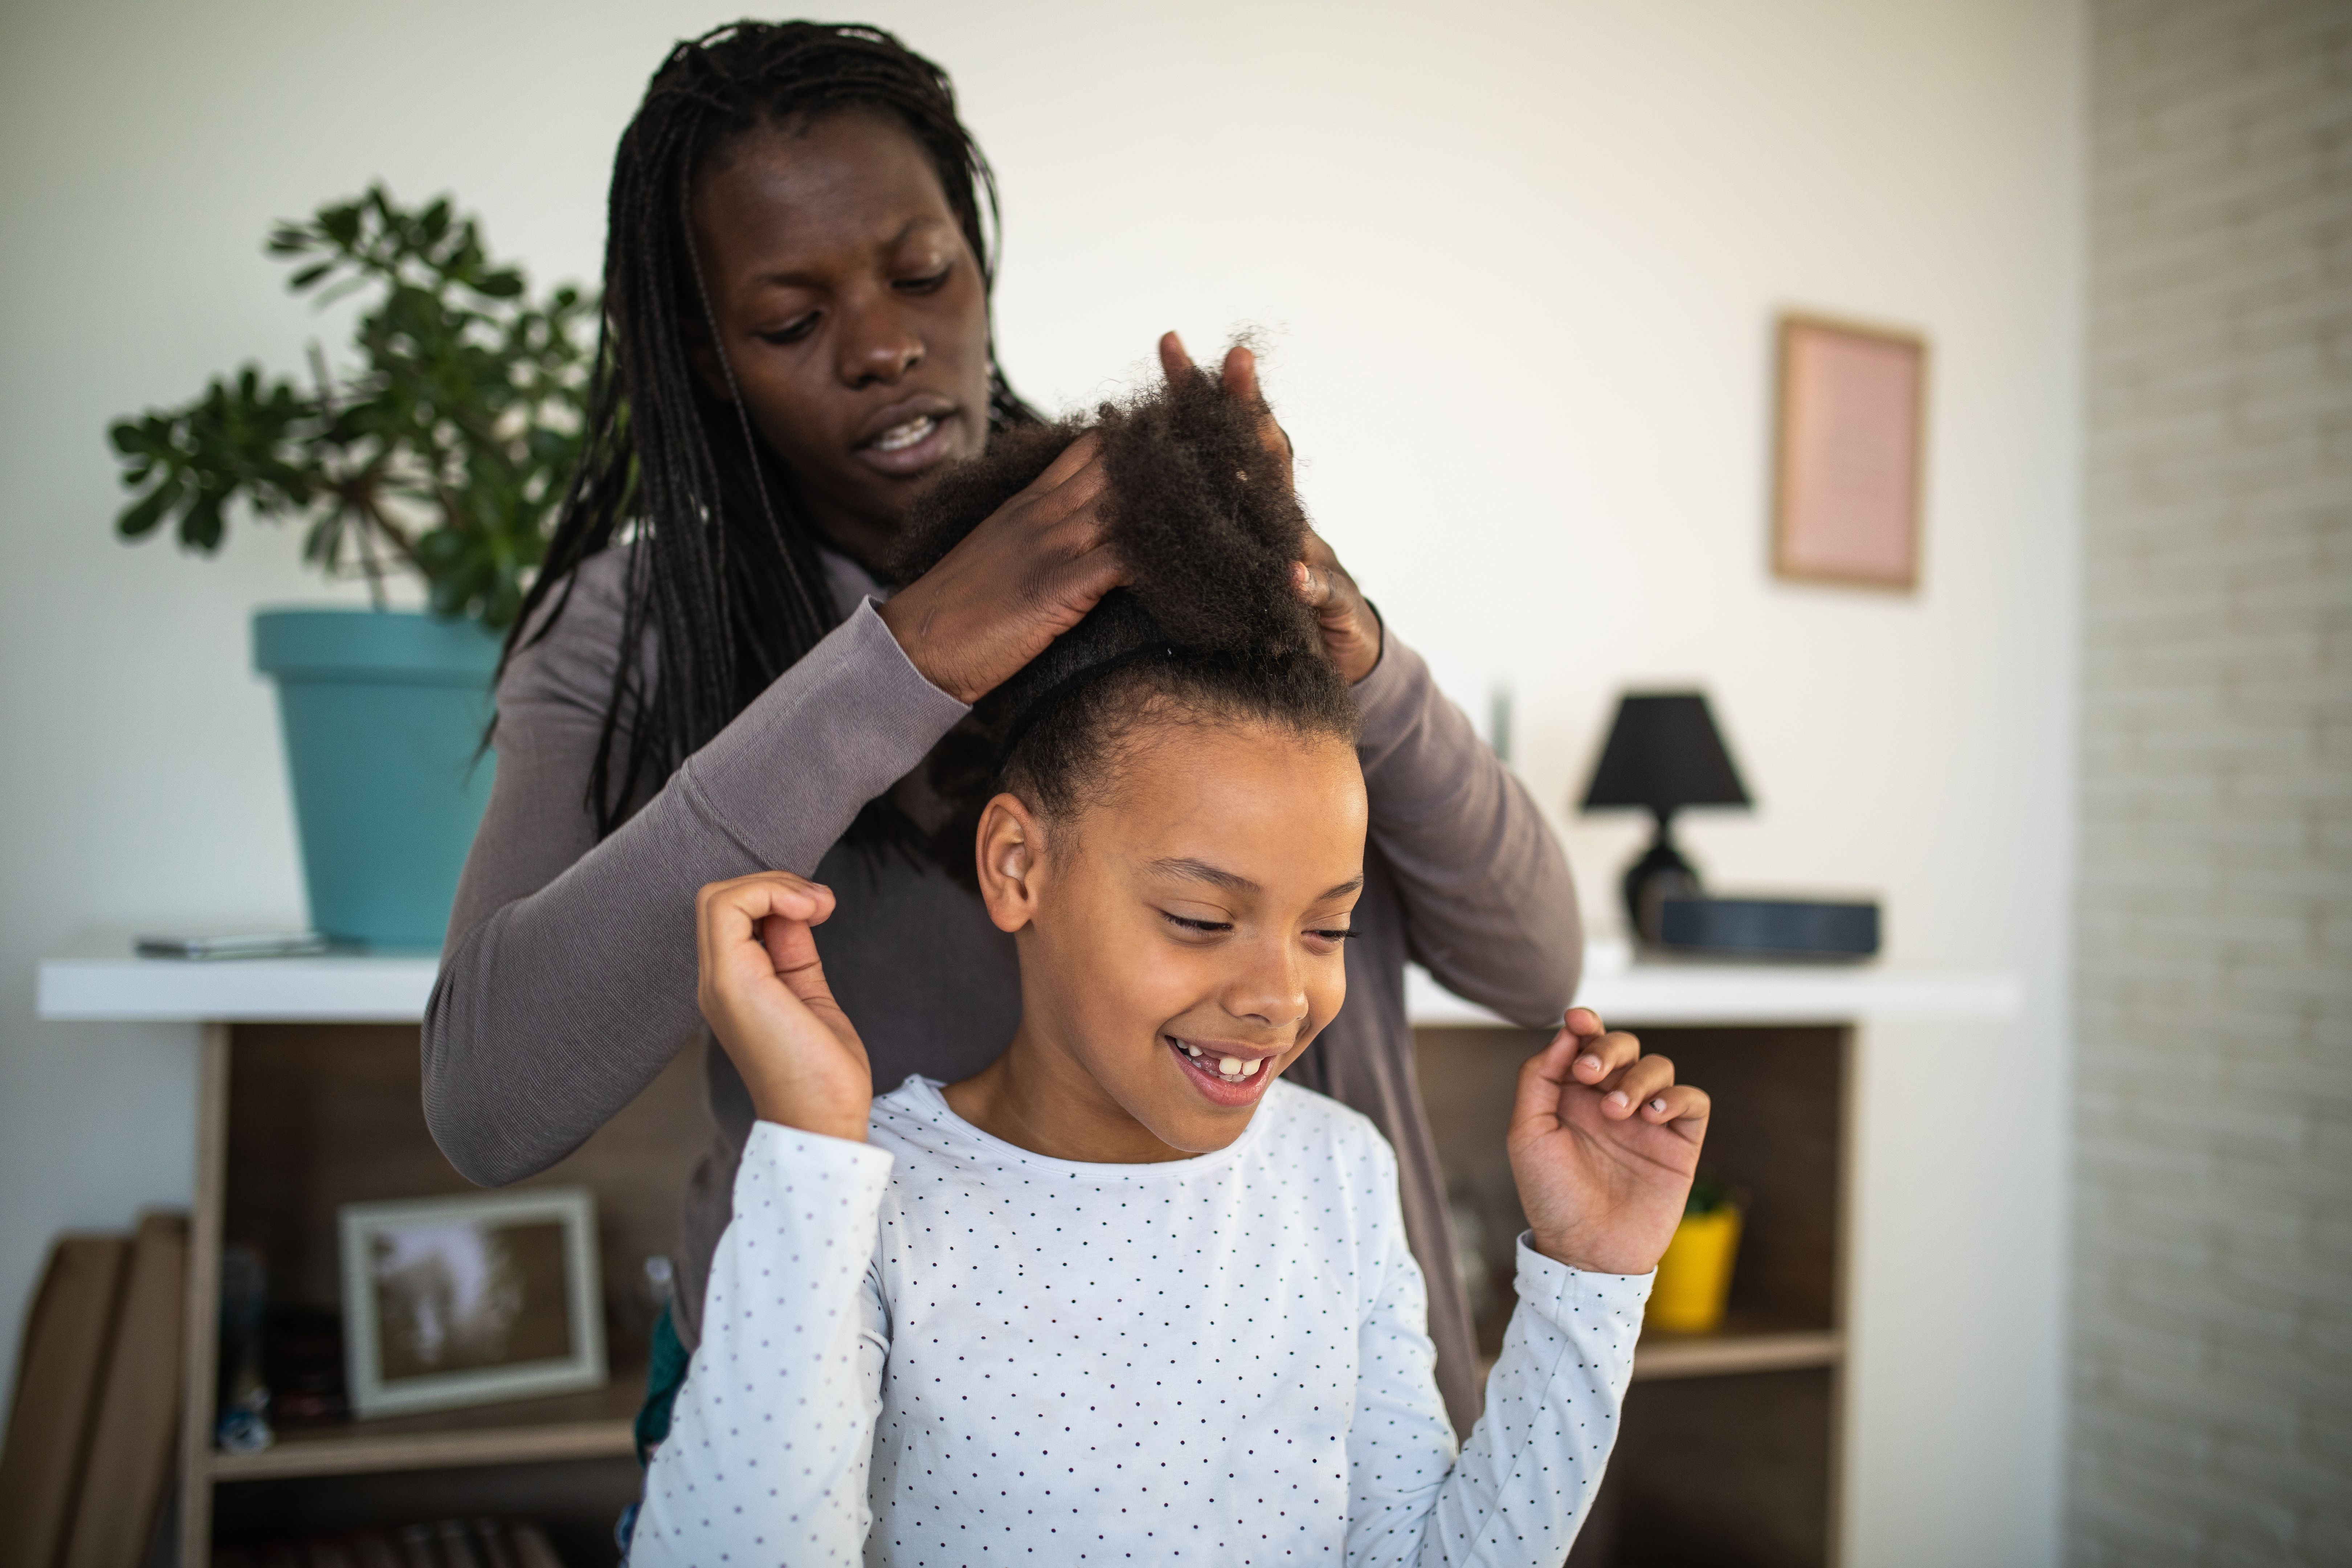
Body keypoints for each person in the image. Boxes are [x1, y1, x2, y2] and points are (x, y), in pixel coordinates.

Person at [421, 19, 1579, 1444]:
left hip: (1283, 1404)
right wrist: (899, 667)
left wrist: (1359, 648)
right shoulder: (633, 627)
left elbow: (1532, 961)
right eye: (793, 321)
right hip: (869, 1429)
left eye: (924, 274)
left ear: (978, 258)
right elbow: (488, 1104)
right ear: (709, 354)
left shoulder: (1164, 524)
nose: (887, 347)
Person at [626, 373, 1709, 1563]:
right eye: (1202, 918)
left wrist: (1587, 1287)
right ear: (1018, 867)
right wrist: (812, 1158)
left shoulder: (1338, 1178)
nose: (1279, 997)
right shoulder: (870, 1192)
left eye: (1326, 927)